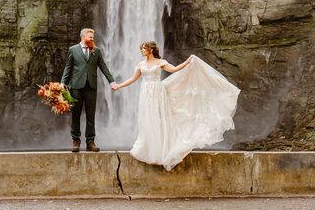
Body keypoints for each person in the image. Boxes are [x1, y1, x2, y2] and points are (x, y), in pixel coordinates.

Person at [112, 41, 240, 171]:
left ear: (150, 49)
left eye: (143, 48)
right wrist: (119, 85)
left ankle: (161, 150)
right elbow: (132, 79)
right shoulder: (140, 64)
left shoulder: (160, 62)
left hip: (157, 92)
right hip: (145, 93)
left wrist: (188, 61)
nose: (141, 51)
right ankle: (148, 149)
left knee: (158, 119)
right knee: (147, 119)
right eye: (141, 49)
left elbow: (174, 69)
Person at [61, 28, 117, 153]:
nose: (92, 39)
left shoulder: (96, 50)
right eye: (90, 37)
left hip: (91, 86)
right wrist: (62, 83)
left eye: (93, 37)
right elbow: (68, 68)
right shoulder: (73, 50)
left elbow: (103, 67)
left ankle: (90, 141)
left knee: (91, 115)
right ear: (83, 36)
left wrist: (111, 81)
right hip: (76, 86)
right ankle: (76, 140)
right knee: (76, 114)